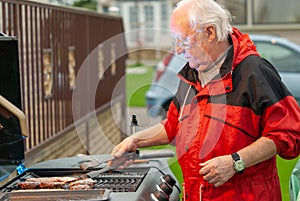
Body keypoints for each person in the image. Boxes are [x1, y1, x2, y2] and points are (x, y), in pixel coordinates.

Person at [110, 0, 300, 200]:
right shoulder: (193, 75)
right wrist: (135, 140)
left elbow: (288, 134)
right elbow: (173, 126)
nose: (179, 51)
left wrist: (235, 161)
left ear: (210, 32)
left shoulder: (254, 71)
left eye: (183, 42)